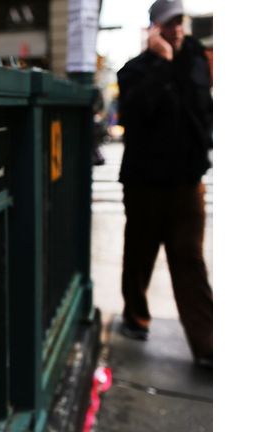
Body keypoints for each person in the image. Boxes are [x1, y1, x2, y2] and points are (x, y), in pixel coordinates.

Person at [116, 0, 213, 368]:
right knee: (140, 254)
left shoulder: (196, 59)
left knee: (189, 258)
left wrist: (203, 150)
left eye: (181, 22)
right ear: (155, 27)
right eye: (170, 23)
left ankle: (207, 344)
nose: (178, 29)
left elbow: (202, 110)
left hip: (188, 182)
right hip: (145, 184)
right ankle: (135, 318)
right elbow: (136, 113)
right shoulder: (135, 70)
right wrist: (161, 63)